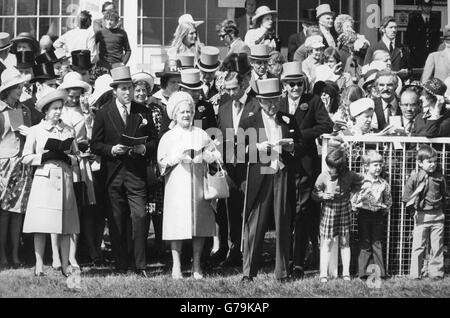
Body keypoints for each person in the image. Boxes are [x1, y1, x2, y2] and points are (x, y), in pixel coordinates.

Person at [90, 66, 157, 277]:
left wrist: (143, 148)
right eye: (123, 89)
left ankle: (140, 265)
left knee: (139, 216)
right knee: (117, 219)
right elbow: (95, 144)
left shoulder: (142, 110)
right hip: (113, 174)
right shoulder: (103, 113)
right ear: (114, 91)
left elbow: (155, 140)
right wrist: (111, 149)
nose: (127, 93)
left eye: (129, 88)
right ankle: (121, 263)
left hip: (136, 173)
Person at [239, 78, 301, 282]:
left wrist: (292, 147)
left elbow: (299, 146)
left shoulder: (288, 119)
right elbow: (236, 151)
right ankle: (248, 272)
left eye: (276, 100)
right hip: (260, 172)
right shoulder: (249, 120)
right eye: (268, 102)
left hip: (281, 172)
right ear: (259, 100)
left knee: (283, 219)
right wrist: (256, 148)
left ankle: (282, 272)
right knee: (255, 223)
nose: (273, 105)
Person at [157, 91, 221, 279]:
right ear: (175, 115)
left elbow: (216, 155)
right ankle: (176, 265)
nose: (186, 115)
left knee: (199, 224)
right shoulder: (169, 136)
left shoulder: (200, 134)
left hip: (198, 184)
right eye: (182, 112)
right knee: (176, 225)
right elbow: (161, 161)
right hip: (177, 184)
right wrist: (175, 158)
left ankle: (197, 265)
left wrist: (208, 156)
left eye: (189, 111)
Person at [279, 62, 333, 278]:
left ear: (304, 83)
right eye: (291, 84)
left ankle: (299, 262)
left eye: (299, 83)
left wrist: (300, 135)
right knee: (286, 214)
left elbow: (326, 126)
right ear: (284, 85)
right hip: (283, 165)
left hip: (305, 165)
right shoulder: (279, 102)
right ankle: (285, 260)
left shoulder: (313, 101)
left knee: (302, 214)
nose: (295, 88)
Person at [22, 88, 80, 277]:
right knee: (41, 225)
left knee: (64, 227)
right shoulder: (36, 131)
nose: (57, 112)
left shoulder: (68, 130)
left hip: (64, 180)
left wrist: (68, 158)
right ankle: (39, 264)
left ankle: (64, 265)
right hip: (44, 181)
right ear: (46, 111)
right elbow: (25, 157)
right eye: (54, 108)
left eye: (60, 108)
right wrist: (43, 157)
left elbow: (76, 156)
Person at [216, 66, 258, 267]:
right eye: (227, 89)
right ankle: (234, 250)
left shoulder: (255, 105)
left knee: (248, 209)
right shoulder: (224, 108)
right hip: (230, 167)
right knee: (231, 209)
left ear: (243, 85)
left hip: (249, 166)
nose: (231, 93)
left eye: (234, 89)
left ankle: (249, 250)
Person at [0, 68, 38, 269]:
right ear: (9, 89)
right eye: (18, 87)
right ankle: (3, 254)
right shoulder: (0, 111)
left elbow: (30, 138)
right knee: (3, 213)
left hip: (21, 165)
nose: (22, 90)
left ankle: (15, 254)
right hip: (3, 166)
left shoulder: (24, 110)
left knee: (17, 212)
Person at [58, 71, 96, 268]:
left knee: (81, 207)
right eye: (70, 95)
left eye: (77, 95)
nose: (73, 99)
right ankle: (58, 253)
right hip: (64, 161)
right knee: (64, 207)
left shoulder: (86, 112)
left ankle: (77, 251)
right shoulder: (58, 111)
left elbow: (91, 136)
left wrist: (88, 117)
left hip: (81, 163)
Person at [312, 148, 363, 283]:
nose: (329, 169)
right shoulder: (323, 176)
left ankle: (345, 273)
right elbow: (314, 194)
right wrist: (323, 196)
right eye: (329, 166)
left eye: (333, 167)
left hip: (344, 209)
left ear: (340, 168)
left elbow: (361, 182)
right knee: (327, 241)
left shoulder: (349, 175)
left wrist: (353, 196)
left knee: (345, 241)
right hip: (329, 209)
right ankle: (323, 273)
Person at [403, 145, 449, 280]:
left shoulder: (440, 178)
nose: (433, 164)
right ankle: (415, 274)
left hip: (437, 216)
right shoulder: (415, 178)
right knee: (418, 246)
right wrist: (413, 212)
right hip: (421, 216)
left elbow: (445, 195)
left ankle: (436, 274)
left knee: (437, 246)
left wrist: (441, 210)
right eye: (429, 162)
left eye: (435, 161)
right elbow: (406, 198)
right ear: (420, 163)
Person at [132, 71, 164, 260]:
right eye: (137, 90)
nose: (141, 94)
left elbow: (159, 136)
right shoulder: (129, 109)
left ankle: (160, 247)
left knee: (156, 208)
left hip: (152, 162)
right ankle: (139, 248)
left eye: (144, 90)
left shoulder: (155, 109)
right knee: (138, 210)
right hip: (134, 164)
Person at [352, 150, 392, 279]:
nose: (379, 167)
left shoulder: (384, 184)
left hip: (378, 215)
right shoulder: (361, 181)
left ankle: (380, 274)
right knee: (365, 242)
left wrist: (384, 208)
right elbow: (353, 198)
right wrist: (356, 205)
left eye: (380, 164)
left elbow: (388, 200)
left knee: (377, 243)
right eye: (375, 165)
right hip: (363, 215)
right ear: (366, 166)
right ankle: (363, 273)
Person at [406, 0, 441, 69]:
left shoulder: (435, 20)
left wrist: (436, 48)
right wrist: (412, 49)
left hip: (431, 52)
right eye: (425, 6)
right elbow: (409, 37)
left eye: (429, 6)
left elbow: (437, 36)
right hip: (417, 53)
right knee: (417, 73)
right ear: (421, 6)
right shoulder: (414, 20)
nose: (427, 8)